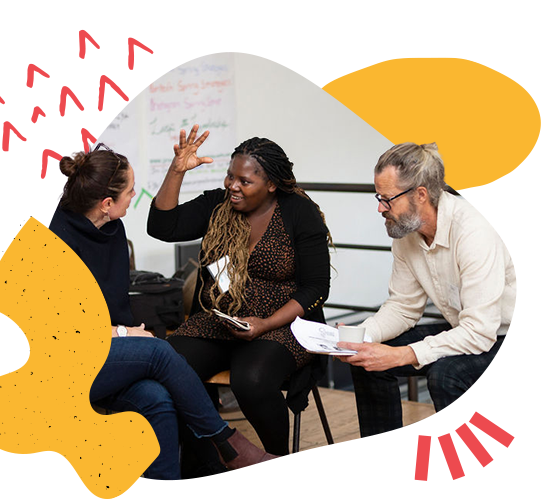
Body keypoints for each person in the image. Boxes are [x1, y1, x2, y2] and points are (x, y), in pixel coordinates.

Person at [48, 143, 293, 482]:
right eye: (131, 190)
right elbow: (58, 331)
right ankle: (227, 443)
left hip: (105, 355)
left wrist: (123, 332)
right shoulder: (54, 243)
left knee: (159, 400)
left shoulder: (112, 229)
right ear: (107, 204)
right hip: (64, 365)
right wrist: (123, 334)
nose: (135, 194)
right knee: (159, 350)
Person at [147, 125, 331, 476]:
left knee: (251, 379)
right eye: (231, 176)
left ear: (272, 185)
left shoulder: (299, 213)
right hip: (221, 318)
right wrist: (176, 171)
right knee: (170, 367)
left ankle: (278, 466)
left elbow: (315, 288)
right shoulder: (218, 205)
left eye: (245, 181)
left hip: (283, 324)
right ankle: (210, 468)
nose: (233, 186)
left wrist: (266, 323)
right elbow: (162, 227)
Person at [337, 142, 517, 481]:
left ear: (420, 194)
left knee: (447, 375)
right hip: (475, 331)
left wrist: (403, 354)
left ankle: (466, 482)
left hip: (522, 338)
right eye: (378, 197)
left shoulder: (473, 231)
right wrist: (363, 336)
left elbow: (479, 331)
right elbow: (404, 307)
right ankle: (395, 472)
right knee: (366, 356)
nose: (380, 209)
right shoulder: (407, 232)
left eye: (386, 198)